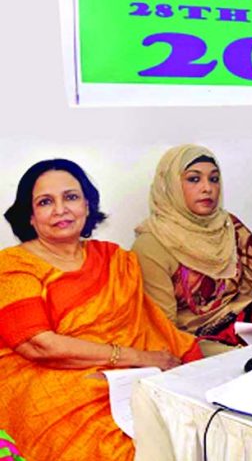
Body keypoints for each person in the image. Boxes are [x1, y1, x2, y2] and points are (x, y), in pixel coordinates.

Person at [0, 159, 200, 461]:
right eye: (45, 202)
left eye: (70, 197)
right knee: (112, 445)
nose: (60, 210)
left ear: (87, 205)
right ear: (29, 216)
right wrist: (135, 358)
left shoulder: (114, 259)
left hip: (126, 376)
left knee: (192, 426)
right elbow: (37, 344)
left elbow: (148, 326)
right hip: (46, 380)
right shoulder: (14, 265)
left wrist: (144, 362)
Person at [133, 145, 252, 348]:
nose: (207, 188)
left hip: (240, 326)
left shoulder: (229, 227)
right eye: (194, 179)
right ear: (170, 186)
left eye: (214, 179)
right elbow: (163, 329)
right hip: (191, 341)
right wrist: (228, 352)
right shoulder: (152, 245)